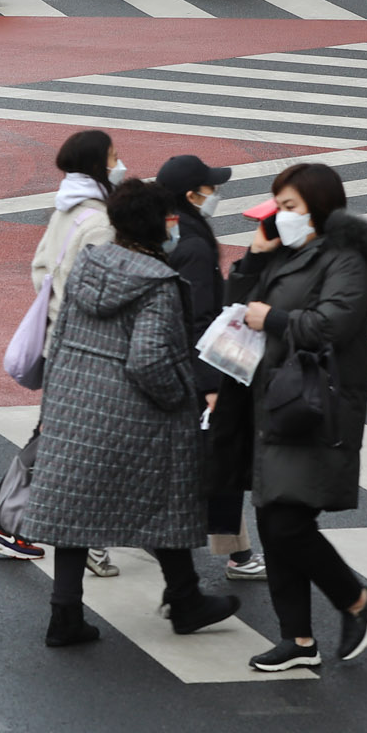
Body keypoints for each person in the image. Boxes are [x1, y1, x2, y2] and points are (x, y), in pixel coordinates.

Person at [18, 178, 244, 648]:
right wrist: (179, 396)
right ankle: (185, 600)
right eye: (168, 217)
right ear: (153, 224)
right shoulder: (156, 283)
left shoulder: (88, 264)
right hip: (135, 416)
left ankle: (65, 614)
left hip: (76, 405)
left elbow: (59, 335)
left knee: (72, 510)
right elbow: (147, 360)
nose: (174, 224)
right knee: (166, 501)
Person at [216, 163, 367, 672]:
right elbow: (236, 311)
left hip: (313, 406)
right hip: (272, 400)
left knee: (286, 521)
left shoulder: (346, 261)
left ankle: (358, 600)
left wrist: (271, 317)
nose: (282, 217)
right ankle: (297, 639)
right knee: (274, 523)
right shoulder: (288, 254)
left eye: (291, 207)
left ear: (320, 208)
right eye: (279, 207)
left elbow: (332, 324)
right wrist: (252, 260)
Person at [0, 129, 126, 575]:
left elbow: (41, 267)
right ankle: (14, 526)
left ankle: (16, 524)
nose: (121, 163)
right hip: (85, 347)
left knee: (59, 434)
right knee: (75, 440)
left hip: (60, 339)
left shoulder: (68, 207)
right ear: (100, 164)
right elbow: (100, 291)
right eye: (115, 157)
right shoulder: (99, 220)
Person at [158, 153, 265, 582]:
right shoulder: (194, 244)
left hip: (171, 362)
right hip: (191, 369)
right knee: (207, 458)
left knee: (210, 458)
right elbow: (199, 317)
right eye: (210, 187)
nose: (215, 193)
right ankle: (97, 540)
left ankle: (237, 552)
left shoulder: (171, 231)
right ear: (192, 194)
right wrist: (211, 384)